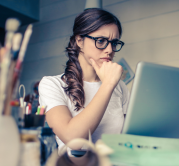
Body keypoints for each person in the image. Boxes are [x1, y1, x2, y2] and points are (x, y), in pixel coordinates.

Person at [38, 8, 129, 155]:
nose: (109, 50)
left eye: (114, 43)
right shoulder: (51, 84)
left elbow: (128, 139)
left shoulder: (121, 88)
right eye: (101, 41)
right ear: (79, 41)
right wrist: (108, 84)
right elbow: (74, 140)